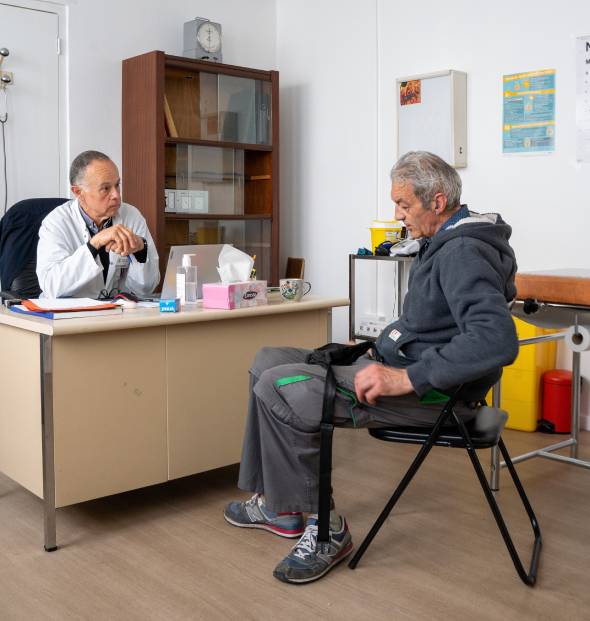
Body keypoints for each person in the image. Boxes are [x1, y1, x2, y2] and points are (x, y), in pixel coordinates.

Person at [223, 151, 520, 584]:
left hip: (433, 397)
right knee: (267, 360)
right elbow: (427, 325)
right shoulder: (445, 241)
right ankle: (278, 504)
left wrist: (405, 376)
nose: (398, 216)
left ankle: (326, 530)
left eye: (404, 205)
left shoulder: (463, 252)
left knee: (280, 385)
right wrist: (375, 347)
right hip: (399, 367)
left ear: (437, 202)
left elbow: (495, 339)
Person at [37, 150, 159, 298]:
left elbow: (146, 289)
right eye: (105, 188)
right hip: (68, 317)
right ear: (78, 192)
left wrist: (140, 250)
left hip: (115, 315)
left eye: (117, 185)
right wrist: (94, 244)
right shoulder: (56, 222)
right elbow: (52, 286)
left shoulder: (131, 216)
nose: (116, 195)